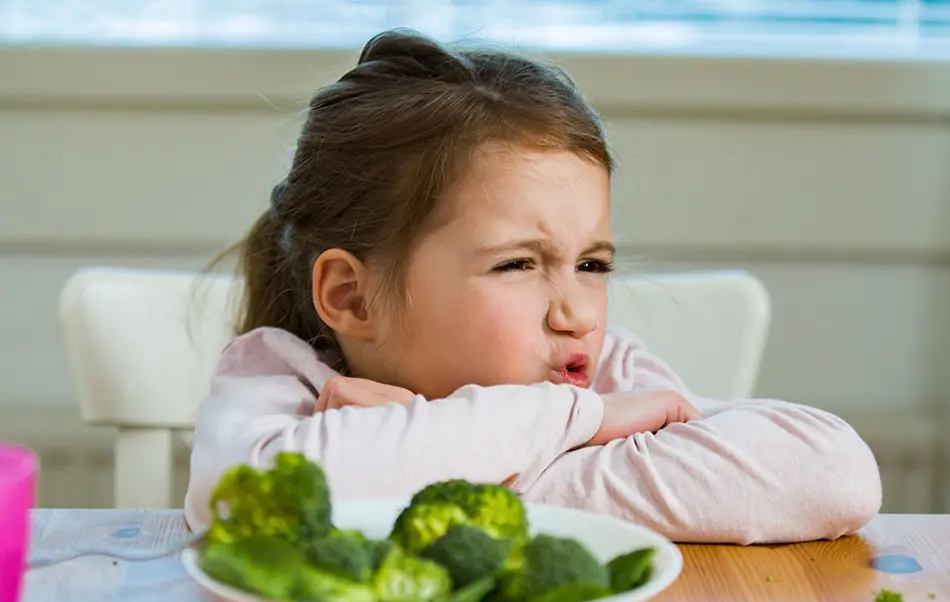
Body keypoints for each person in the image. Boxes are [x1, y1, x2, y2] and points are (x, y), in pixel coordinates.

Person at [185, 29, 881, 545]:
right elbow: (241, 505)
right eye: (518, 264)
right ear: (353, 297)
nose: (576, 313)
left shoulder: (611, 372)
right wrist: (575, 426)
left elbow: (832, 473)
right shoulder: (280, 379)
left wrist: (408, 468)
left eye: (593, 264)